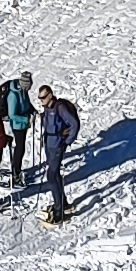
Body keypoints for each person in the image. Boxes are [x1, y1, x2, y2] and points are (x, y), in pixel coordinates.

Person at [38, 83, 82, 222]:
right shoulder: (47, 108)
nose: (42, 101)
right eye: (40, 98)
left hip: (57, 145)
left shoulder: (60, 107)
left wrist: (67, 141)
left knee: (51, 176)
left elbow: (74, 124)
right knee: (54, 174)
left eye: (44, 97)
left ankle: (59, 211)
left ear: (50, 95)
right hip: (49, 144)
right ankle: (62, 204)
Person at [1, 74, 37, 188]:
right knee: (19, 148)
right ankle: (15, 172)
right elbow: (12, 115)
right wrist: (26, 118)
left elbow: (27, 104)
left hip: (23, 125)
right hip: (17, 126)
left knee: (21, 148)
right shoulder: (13, 95)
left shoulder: (22, 91)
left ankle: (17, 170)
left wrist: (33, 111)